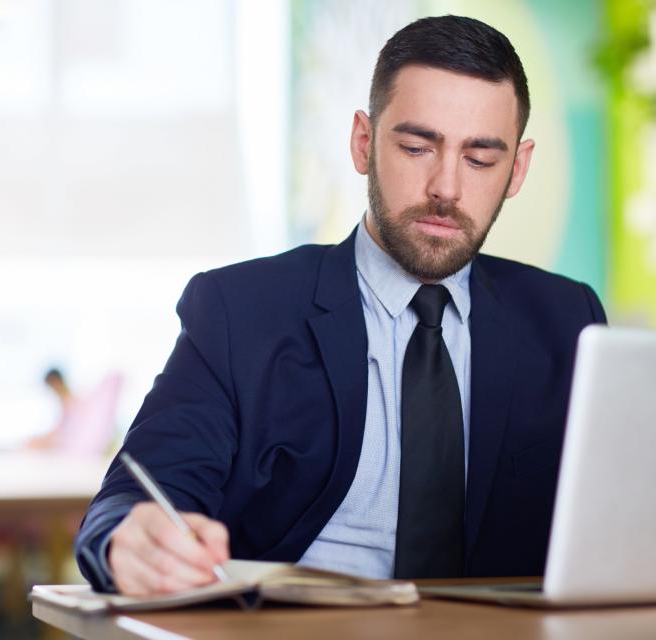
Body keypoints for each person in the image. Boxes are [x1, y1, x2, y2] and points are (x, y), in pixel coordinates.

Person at [76, 14, 606, 596]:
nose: (446, 188)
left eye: (480, 159)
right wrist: (131, 538)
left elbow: (623, 519)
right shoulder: (240, 311)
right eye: (415, 147)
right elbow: (134, 496)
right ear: (363, 142)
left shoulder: (568, 321)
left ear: (517, 169)